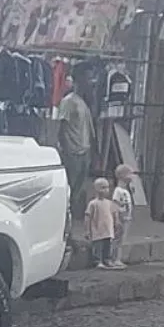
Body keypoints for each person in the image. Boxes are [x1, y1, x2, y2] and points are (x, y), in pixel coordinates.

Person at [56, 75, 95, 222]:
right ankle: (64, 218)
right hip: (72, 151)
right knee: (69, 186)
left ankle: (71, 217)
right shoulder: (68, 101)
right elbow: (61, 126)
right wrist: (65, 149)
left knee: (78, 188)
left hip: (84, 150)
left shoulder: (83, 103)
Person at [85, 177, 117, 268]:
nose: (106, 190)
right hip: (97, 229)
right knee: (98, 246)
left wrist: (115, 224)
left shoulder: (109, 203)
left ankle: (107, 259)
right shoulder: (93, 203)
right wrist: (87, 230)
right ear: (96, 189)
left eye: (107, 187)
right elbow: (88, 216)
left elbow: (113, 214)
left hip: (108, 229)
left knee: (108, 245)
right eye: (103, 187)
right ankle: (97, 261)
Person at [111, 164, 136, 269]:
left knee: (121, 240)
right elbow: (115, 205)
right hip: (121, 218)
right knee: (117, 239)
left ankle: (118, 259)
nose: (132, 176)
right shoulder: (118, 191)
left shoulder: (126, 190)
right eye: (130, 174)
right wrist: (116, 218)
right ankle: (114, 259)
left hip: (126, 218)